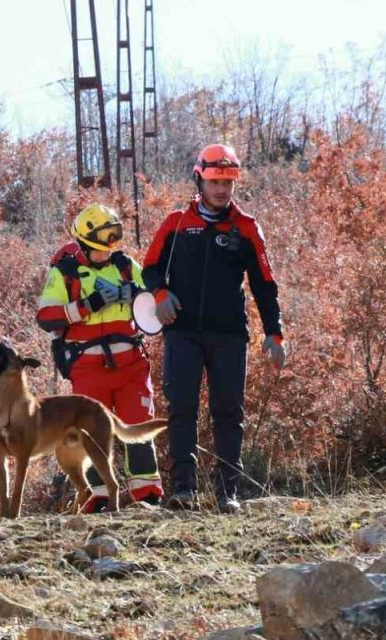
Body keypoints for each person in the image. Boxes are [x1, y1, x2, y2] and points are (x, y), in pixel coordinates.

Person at [140, 144, 287, 514]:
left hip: (229, 334)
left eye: (228, 182)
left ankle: (227, 493)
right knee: (182, 406)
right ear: (200, 179)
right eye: (215, 181)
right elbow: (150, 267)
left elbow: (265, 284)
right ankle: (183, 489)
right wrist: (159, 294)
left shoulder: (247, 227)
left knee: (228, 410)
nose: (222, 189)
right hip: (182, 332)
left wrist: (275, 331)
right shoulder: (175, 222)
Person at [36, 203, 163, 511]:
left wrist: (136, 293)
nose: (106, 252)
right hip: (88, 366)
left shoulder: (124, 265)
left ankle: (147, 495)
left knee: (138, 422)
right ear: (83, 244)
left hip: (131, 363)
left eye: (110, 246)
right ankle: (99, 498)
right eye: (99, 248)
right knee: (91, 432)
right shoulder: (64, 273)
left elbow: (152, 302)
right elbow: (46, 316)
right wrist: (86, 306)